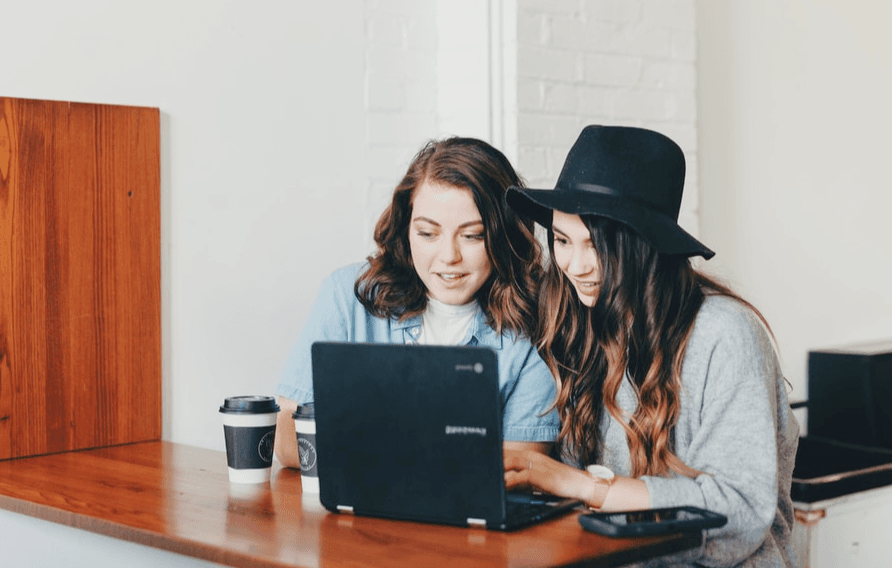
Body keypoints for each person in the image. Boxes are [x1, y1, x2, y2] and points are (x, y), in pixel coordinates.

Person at [503, 125, 799, 567]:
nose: (576, 266)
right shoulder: (579, 323)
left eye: (597, 245)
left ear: (643, 245)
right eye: (563, 240)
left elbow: (739, 509)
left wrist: (581, 485)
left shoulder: (725, 333)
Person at [274, 136, 560, 469]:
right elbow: (288, 441)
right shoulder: (348, 296)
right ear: (406, 228)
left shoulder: (535, 327)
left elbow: (522, 468)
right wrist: (438, 453)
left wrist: (368, 442)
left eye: (472, 236)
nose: (449, 257)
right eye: (427, 233)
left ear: (503, 236)